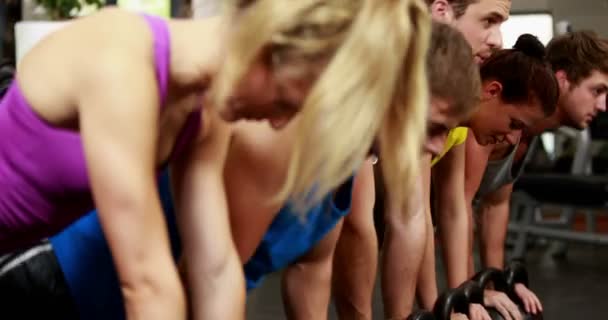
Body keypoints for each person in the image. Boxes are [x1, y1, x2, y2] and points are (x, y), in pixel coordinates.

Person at [0, 1, 431, 319]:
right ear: (268, 46)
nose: (279, 125)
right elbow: (148, 284)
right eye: (284, 101)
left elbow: (216, 268)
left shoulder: (202, 111)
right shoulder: (121, 64)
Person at [462, 30, 608, 319]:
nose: (603, 106)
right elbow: (456, 208)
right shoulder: (494, 126)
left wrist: (497, 283)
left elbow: (495, 204)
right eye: (597, 90)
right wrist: (471, 290)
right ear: (563, 80)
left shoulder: (524, 131)